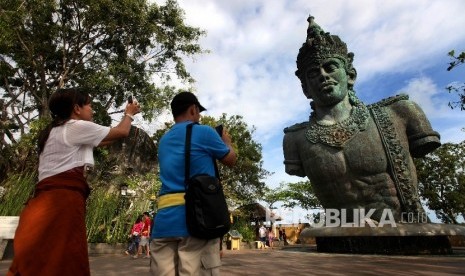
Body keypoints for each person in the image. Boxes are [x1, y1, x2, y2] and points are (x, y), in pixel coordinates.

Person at [283, 16, 441, 223]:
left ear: (350, 75)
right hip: (338, 235)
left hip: (403, 228)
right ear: (305, 88)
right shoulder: (295, 139)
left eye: (330, 67)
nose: (323, 76)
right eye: (313, 73)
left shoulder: (399, 113)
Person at [7, 87, 140, 276]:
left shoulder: (54, 131)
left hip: (43, 201)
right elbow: (121, 132)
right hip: (63, 201)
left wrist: (123, 122)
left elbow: (107, 139)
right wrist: (129, 114)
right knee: (65, 258)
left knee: (42, 259)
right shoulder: (75, 127)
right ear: (77, 109)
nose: (92, 110)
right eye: (89, 105)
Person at [150, 91, 237, 275]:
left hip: (164, 224)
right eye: (198, 112)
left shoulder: (163, 140)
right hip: (197, 223)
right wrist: (226, 142)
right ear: (193, 109)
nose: (199, 117)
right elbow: (231, 159)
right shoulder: (204, 132)